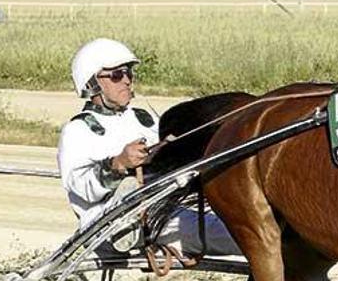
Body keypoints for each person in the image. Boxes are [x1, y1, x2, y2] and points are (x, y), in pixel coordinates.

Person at [58, 38, 240, 257]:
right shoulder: (78, 129)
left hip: (161, 207)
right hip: (107, 221)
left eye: (128, 74)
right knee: (237, 233)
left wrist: (169, 150)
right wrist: (118, 165)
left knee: (237, 219)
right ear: (92, 84)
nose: (126, 81)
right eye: (116, 75)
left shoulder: (142, 118)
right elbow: (80, 187)